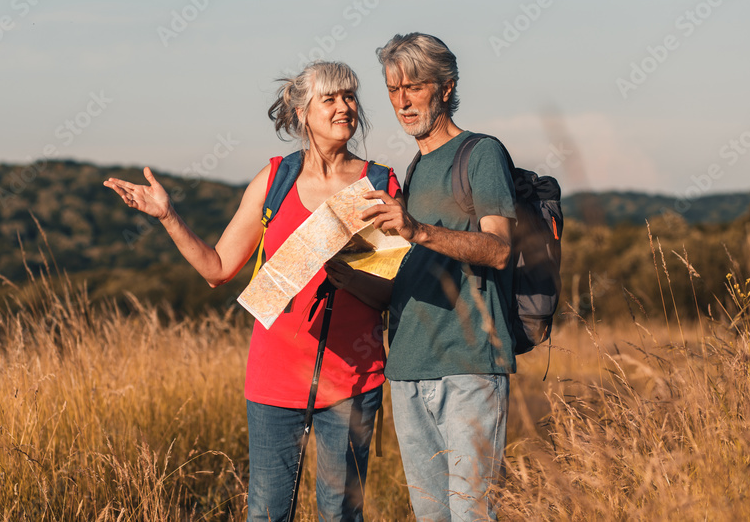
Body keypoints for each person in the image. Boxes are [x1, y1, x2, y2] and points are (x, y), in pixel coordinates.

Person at [103, 61, 400, 522]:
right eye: (331, 98)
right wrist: (167, 215)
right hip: (275, 378)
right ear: (303, 113)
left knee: (340, 514)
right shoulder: (275, 179)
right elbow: (217, 268)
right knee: (266, 513)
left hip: (352, 379)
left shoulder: (379, 184)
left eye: (350, 96)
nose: (345, 107)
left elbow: (394, 282)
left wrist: (343, 270)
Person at [359, 33, 517, 521]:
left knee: (472, 514)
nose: (402, 102)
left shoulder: (481, 153)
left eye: (414, 87)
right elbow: (409, 279)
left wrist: (417, 229)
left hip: (469, 367)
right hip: (406, 368)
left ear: (445, 88)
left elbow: (500, 249)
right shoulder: (414, 169)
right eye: (392, 90)